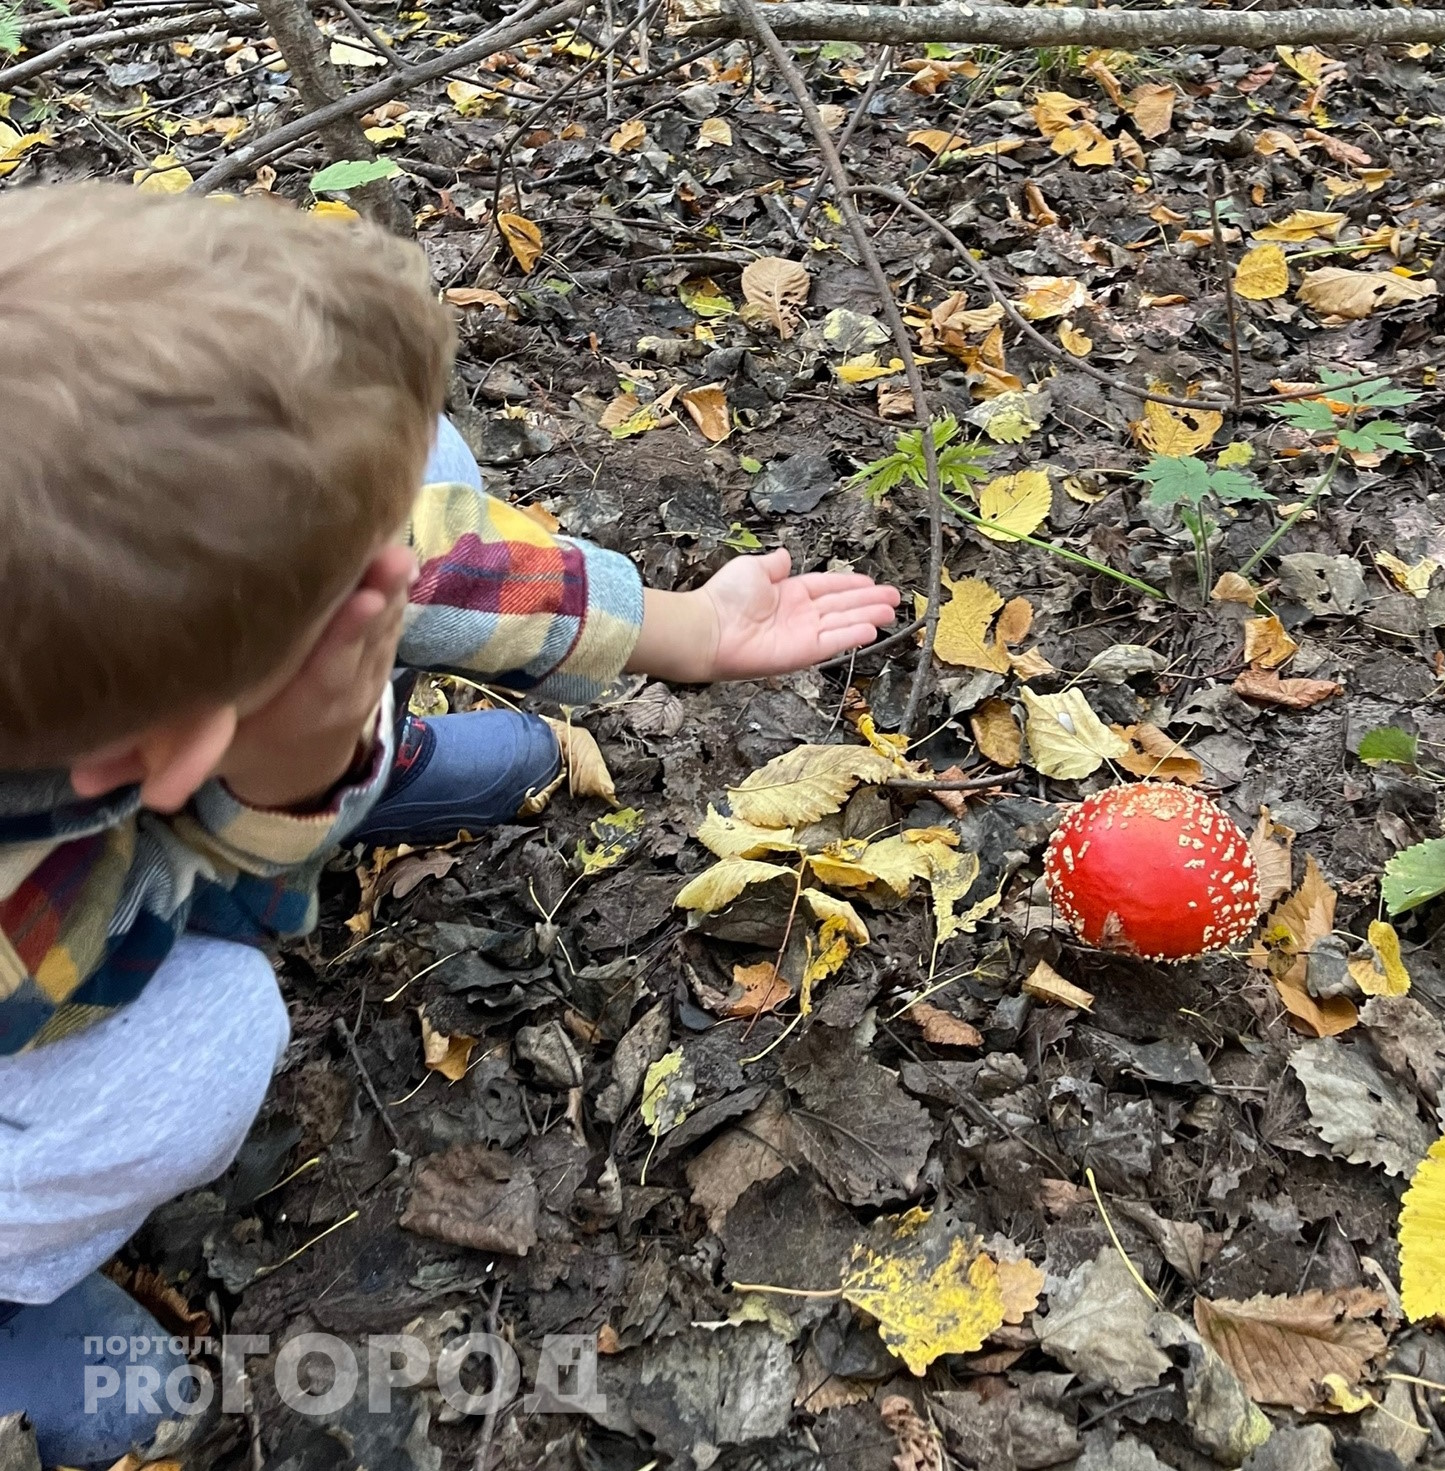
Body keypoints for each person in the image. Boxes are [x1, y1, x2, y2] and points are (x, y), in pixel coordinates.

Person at [0, 184, 901, 1465]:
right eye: (347, 612)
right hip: (53, 972)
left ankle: (348, 747)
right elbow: (204, 894)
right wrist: (296, 772)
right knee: (198, 1049)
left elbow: (402, 540)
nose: (393, 581)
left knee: (424, 467)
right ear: (163, 748)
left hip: (142, 767)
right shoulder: (31, 887)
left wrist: (683, 627)